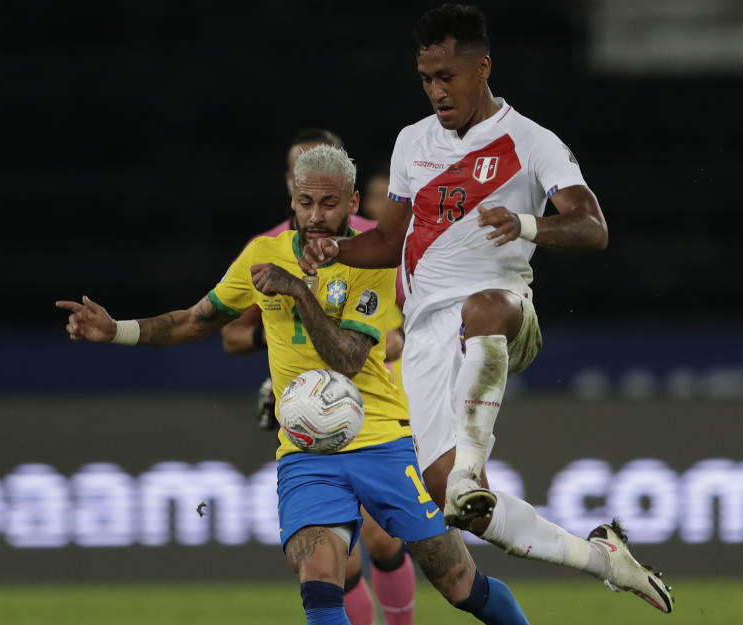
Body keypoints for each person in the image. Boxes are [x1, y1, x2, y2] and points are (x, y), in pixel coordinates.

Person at [299, 4, 674, 614]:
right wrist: (335, 249)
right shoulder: (410, 142)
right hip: (426, 340)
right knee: (452, 500)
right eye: (426, 78)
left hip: (504, 316)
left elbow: (592, 226)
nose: (436, 91)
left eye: (448, 76)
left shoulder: (531, 141)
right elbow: (390, 243)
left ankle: (473, 465)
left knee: (484, 307)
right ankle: (601, 557)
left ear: (483, 68)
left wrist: (527, 223)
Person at [56, 144, 530, 625]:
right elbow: (194, 321)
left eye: (328, 204)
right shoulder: (264, 254)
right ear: (293, 201)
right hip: (307, 451)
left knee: (460, 585)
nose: (316, 215)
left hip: (383, 441)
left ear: (351, 202)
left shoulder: (375, 257)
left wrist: (298, 290)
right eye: (306, 203)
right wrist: (117, 330)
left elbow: (346, 358)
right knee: (320, 581)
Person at [220, 129, 414, 625]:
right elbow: (232, 337)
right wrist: (278, 340)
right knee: (335, 561)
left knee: (381, 536)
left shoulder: (373, 242)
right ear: (290, 183)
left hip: (375, 398)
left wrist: (386, 345)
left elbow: (413, 320)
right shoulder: (265, 250)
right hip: (315, 408)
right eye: (300, 173)